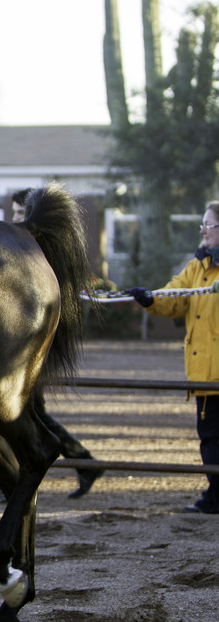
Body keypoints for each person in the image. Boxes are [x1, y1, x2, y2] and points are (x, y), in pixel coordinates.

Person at [0, 187, 104, 504]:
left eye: (21, 215)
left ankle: (16, 478)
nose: (17, 223)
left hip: (21, 343)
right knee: (29, 415)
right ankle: (83, 462)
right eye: (15, 215)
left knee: (19, 414)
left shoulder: (32, 256)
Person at [126, 201, 219, 515]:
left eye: (209, 225)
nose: (203, 231)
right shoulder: (198, 267)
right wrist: (151, 299)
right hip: (206, 371)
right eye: (202, 225)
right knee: (210, 438)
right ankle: (216, 495)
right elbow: (175, 297)